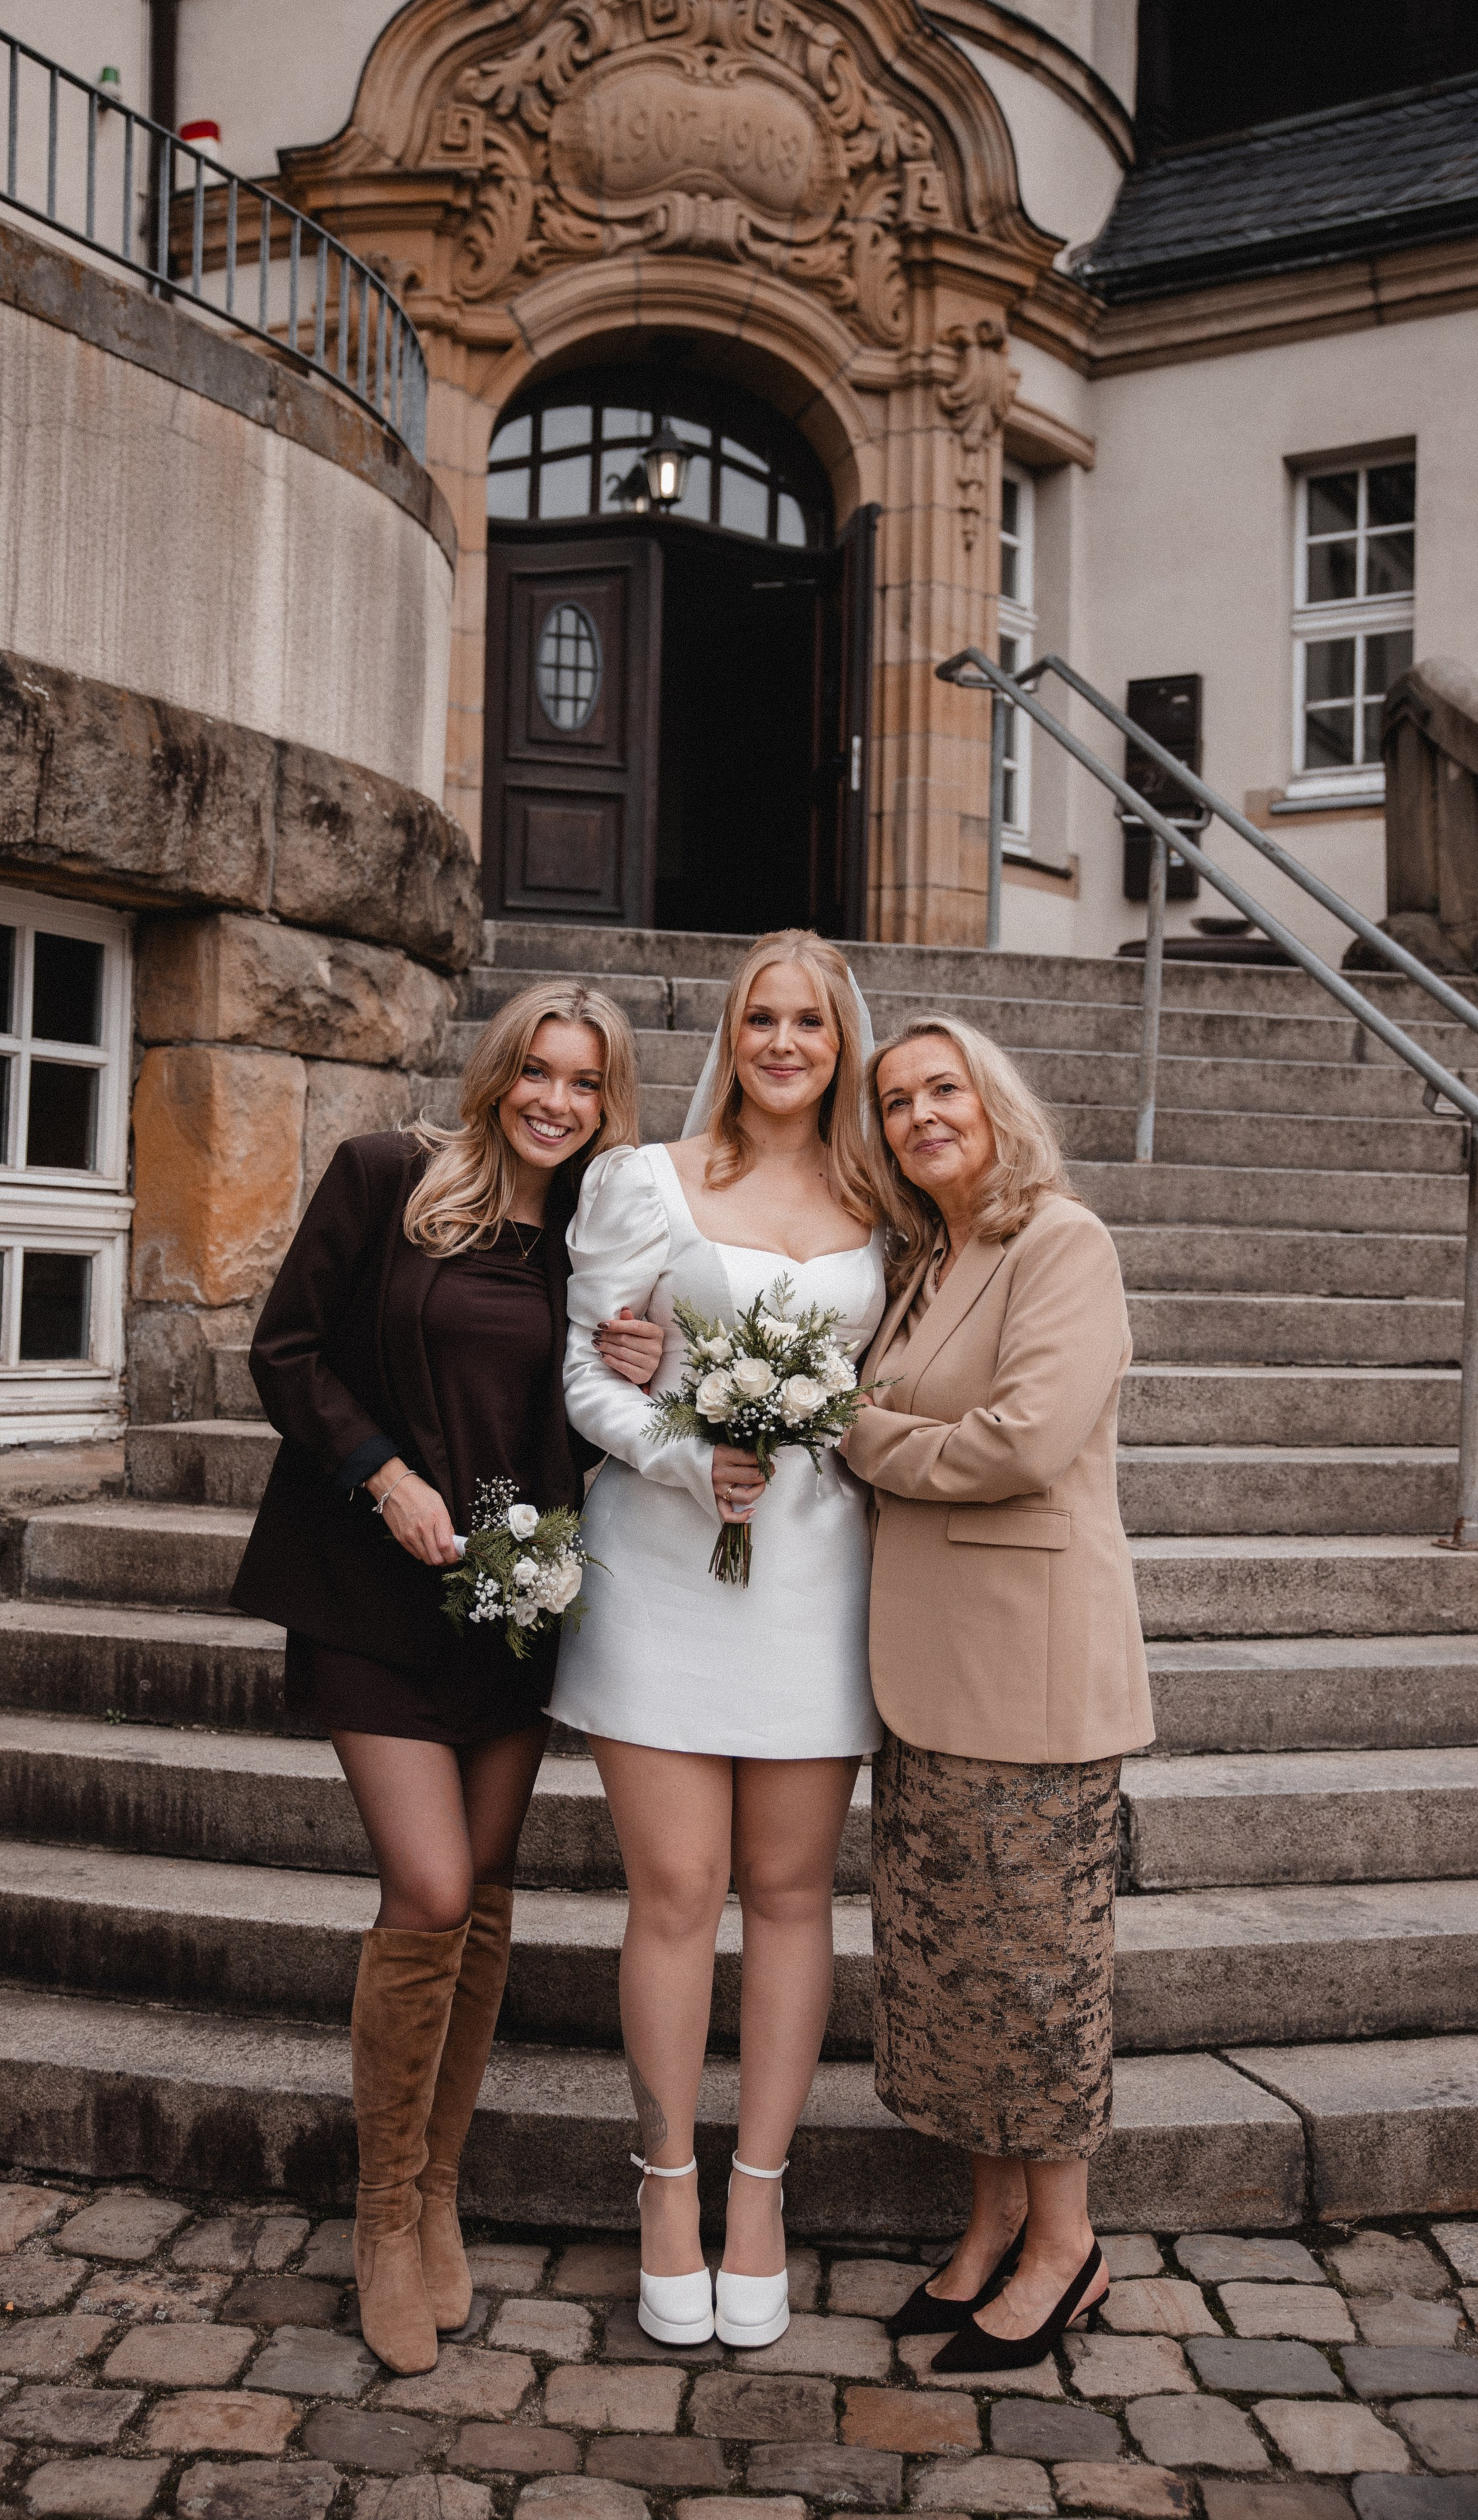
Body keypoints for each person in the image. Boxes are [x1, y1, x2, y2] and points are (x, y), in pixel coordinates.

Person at [231, 982, 661, 2376]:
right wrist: (382, 1476)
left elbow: (590, 1417)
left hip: (509, 1605)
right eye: (537, 1071)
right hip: (371, 1585)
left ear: (609, 1103)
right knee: (425, 1888)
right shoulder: (387, 1174)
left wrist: (636, 1368)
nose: (555, 1100)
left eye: (583, 1083)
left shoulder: (591, 1244)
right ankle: (376, 2215)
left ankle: (435, 2190)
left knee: (480, 1896)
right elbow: (284, 1351)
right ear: (497, 1074)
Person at [550, 929, 885, 2351]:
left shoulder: (885, 1200)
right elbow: (581, 1363)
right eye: (762, 1016)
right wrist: (679, 1449)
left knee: (793, 1893)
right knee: (677, 1890)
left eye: (809, 1019)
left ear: (838, 1039)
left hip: (818, 1580)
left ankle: (760, 2190)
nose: (784, 1042)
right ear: (734, 1034)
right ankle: (665, 2184)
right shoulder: (648, 1182)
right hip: (662, 1567)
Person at [840, 1012, 1154, 2374]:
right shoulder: (922, 1259)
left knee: (1035, 1982)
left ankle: (1064, 2250)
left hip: (1030, 1675)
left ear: (990, 1100)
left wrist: (861, 1436)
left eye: (940, 1089)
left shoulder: (1061, 1243)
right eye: (897, 1100)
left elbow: (1023, 1440)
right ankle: (980, 2234)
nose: (919, 1115)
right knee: (944, 1978)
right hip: (922, 1677)